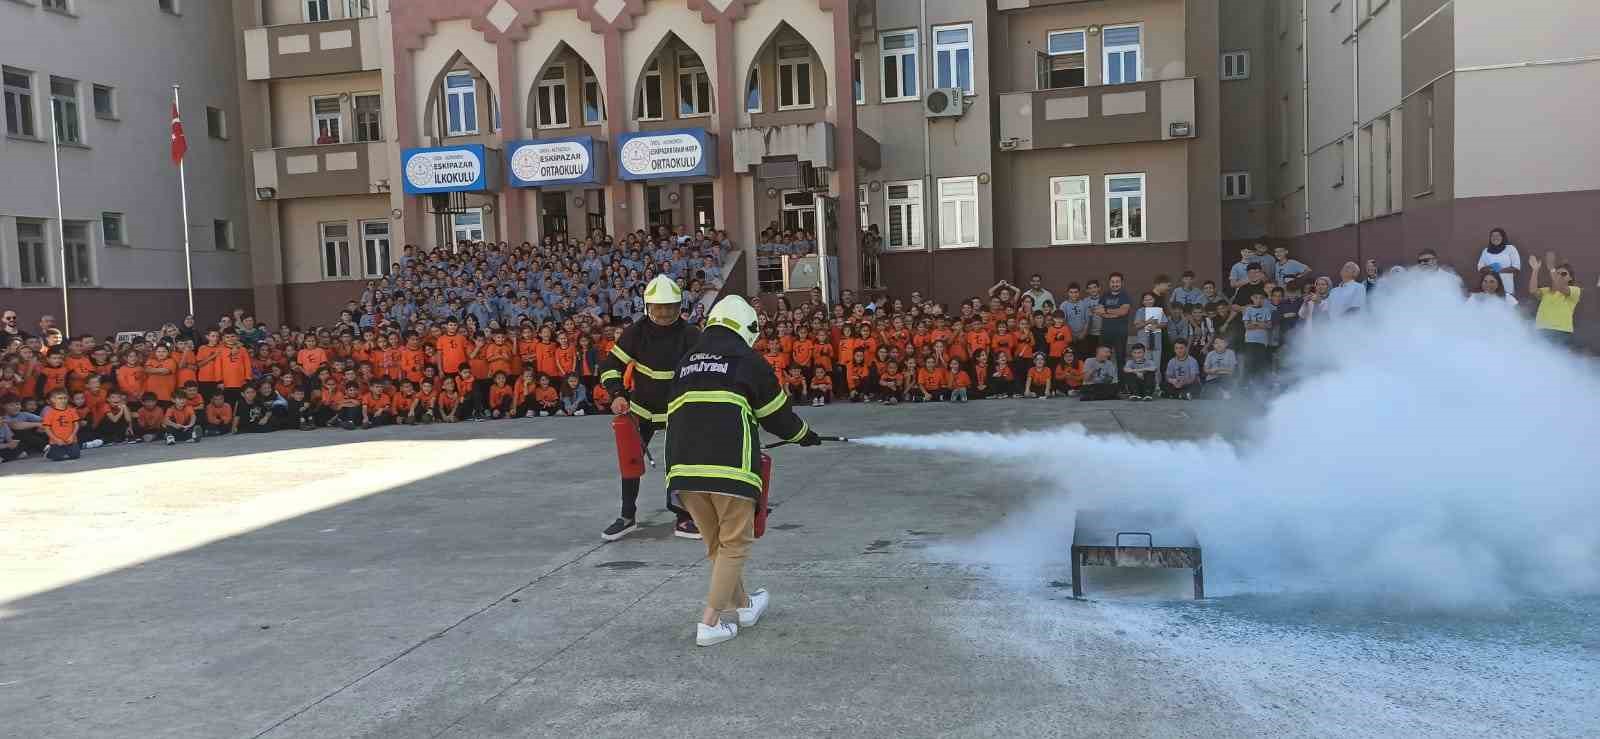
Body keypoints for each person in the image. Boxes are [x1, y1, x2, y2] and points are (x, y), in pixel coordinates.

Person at [665, 295, 819, 647]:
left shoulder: (687, 362)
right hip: (729, 469)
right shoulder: (747, 360)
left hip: (684, 472)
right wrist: (804, 435)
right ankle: (709, 623)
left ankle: (746, 606)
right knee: (735, 546)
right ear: (747, 328)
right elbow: (778, 415)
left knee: (718, 546)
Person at [598, 275, 704, 542]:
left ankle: (684, 516)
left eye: (670, 306)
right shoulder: (636, 332)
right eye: (658, 307)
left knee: (681, 465)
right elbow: (610, 366)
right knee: (630, 460)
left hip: (679, 410)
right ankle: (626, 516)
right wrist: (616, 394)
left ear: (680, 306)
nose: (665, 312)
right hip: (641, 410)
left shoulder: (692, 334)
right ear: (647, 306)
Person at [1526, 253, 1581, 345]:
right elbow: (1532, 290)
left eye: (1563, 274)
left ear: (1570, 278)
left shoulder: (1575, 290)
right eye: (1557, 273)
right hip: (1542, 331)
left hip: (1562, 332)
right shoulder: (1546, 291)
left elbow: (1560, 286)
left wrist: (1552, 269)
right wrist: (1535, 270)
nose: (1559, 275)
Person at [1477, 228, 1522, 295]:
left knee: (1506, 303)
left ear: (1503, 237)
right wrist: (1490, 267)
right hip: (1490, 287)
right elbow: (1480, 268)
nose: (1495, 238)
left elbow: (1516, 268)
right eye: (1493, 236)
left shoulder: (1510, 249)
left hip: (1506, 286)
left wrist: (1500, 270)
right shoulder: (1486, 251)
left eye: (1498, 235)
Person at [41, 389, 83, 461]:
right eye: (60, 398)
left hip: (70, 440)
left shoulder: (72, 411)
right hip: (56, 441)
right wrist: (56, 439)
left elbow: (76, 425)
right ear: (53, 400)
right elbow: (47, 429)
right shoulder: (50, 413)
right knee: (58, 458)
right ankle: (49, 451)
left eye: (65, 398)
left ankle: (66, 450)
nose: (63, 400)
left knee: (75, 456)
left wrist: (72, 436)